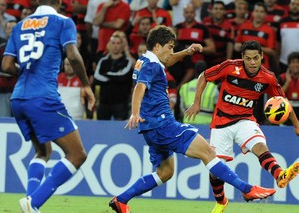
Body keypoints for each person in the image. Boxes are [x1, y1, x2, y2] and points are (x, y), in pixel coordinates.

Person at [108, 26, 276, 213]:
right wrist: (135, 112)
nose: (172, 52)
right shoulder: (152, 65)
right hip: (163, 124)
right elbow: (140, 87)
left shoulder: (145, 59)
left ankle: (121, 200)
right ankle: (248, 189)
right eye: (170, 47)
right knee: (209, 153)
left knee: (165, 172)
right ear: (157, 46)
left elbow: (168, 60)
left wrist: (187, 52)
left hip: (151, 128)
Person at [1, 0, 95, 212]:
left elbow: (5, 65)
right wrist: (86, 84)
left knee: (43, 152)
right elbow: (72, 54)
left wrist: (25, 72)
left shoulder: (20, 25)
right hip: (43, 97)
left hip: (19, 98)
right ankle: (34, 202)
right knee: (77, 154)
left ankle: (31, 201)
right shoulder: (63, 22)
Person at [185, 40, 299, 213]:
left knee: (260, 146)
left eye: (255, 58)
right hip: (221, 123)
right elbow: (204, 76)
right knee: (216, 171)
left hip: (245, 120)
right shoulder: (229, 67)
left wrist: (296, 124)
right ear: (242, 58)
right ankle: (221, 201)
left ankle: (280, 175)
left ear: (261, 57)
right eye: (248, 58)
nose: (252, 62)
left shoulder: (267, 77)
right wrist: (196, 102)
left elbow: (283, 103)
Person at [94, 32, 133, 120]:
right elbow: (96, 78)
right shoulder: (103, 61)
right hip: (104, 102)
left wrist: (107, 74)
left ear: (122, 46)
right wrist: (114, 77)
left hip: (121, 103)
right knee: (101, 129)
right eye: (113, 43)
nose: (115, 46)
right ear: (109, 45)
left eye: (118, 43)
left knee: (121, 129)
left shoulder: (127, 61)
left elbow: (122, 77)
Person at [278, 52, 299, 126]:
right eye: (293, 62)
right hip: (285, 116)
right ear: (289, 65)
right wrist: (287, 82)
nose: (295, 64)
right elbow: (277, 97)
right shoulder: (281, 78)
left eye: (297, 62)